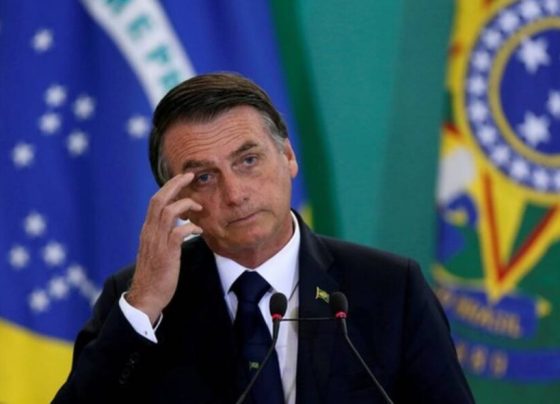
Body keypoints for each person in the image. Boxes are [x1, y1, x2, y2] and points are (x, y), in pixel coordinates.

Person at [53, 72, 474, 404]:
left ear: (288, 157)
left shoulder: (389, 289)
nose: (235, 194)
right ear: (177, 199)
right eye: (204, 177)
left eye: (248, 160)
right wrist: (144, 306)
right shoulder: (139, 300)